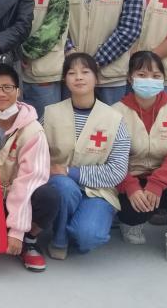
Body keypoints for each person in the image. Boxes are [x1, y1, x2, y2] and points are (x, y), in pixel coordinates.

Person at [112, 51, 167, 264]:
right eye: (142, 74)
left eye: (156, 75)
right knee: (131, 211)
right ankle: (131, 223)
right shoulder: (115, 113)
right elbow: (113, 157)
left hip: (166, 178)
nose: (149, 80)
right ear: (130, 78)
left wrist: (157, 183)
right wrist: (130, 186)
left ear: (163, 79)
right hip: (131, 178)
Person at [44, 53, 130, 259]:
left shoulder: (114, 119)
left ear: (96, 78)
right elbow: (35, 151)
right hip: (61, 187)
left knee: (88, 236)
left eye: (85, 72)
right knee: (64, 187)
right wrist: (57, 173)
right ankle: (59, 237)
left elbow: (117, 171)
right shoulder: (50, 113)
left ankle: (76, 228)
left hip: (98, 192)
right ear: (64, 79)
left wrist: (69, 172)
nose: (79, 77)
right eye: (71, 73)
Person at [0, 63, 58, 273]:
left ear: (18, 91)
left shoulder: (33, 130)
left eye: (7, 87)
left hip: (19, 194)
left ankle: (29, 240)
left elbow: (29, 181)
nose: (1, 93)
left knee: (49, 197)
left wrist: (17, 231)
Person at [5, 0, 69, 116]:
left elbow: (53, 27)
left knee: (45, 126)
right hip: (13, 73)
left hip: (43, 75)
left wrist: (23, 52)